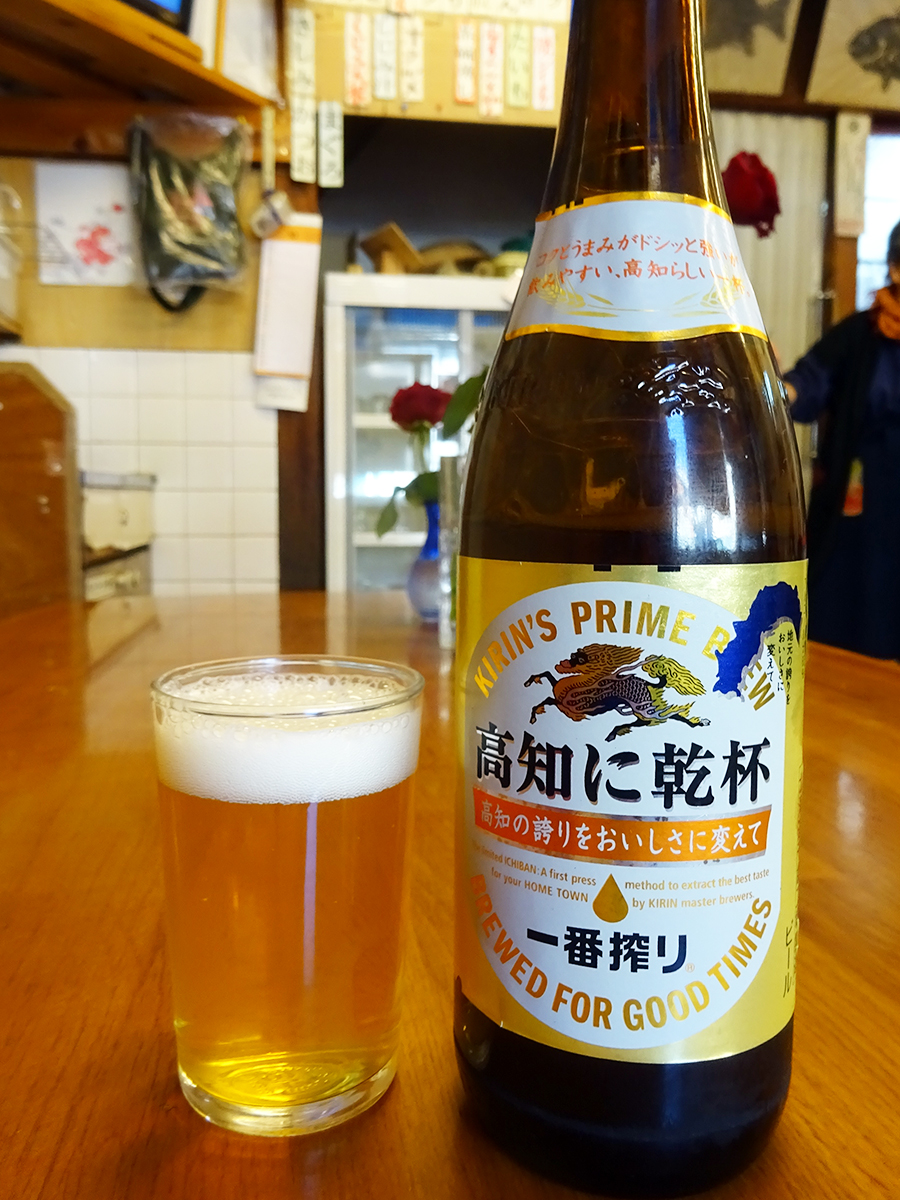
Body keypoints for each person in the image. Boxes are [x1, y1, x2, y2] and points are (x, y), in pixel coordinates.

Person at [784, 222, 900, 660]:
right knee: (858, 594)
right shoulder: (859, 333)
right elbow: (810, 381)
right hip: (866, 487)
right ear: (895, 268)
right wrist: (779, 390)